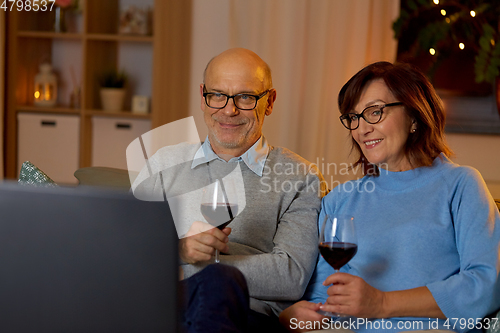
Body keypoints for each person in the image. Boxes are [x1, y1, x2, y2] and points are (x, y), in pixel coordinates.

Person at [279, 61, 500, 333]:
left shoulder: (461, 185)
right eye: (353, 117)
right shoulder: (340, 200)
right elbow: (324, 300)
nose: (361, 129)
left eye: (375, 112)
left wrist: (382, 303)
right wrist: (291, 315)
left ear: (415, 116)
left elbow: (485, 286)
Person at [133, 48, 327, 331]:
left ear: (269, 101)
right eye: (217, 95)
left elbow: (290, 276)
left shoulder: (301, 177)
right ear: (202, 97)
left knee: (218, 282)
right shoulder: (164, 162)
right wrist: (181, 250)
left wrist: (201, 270)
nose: (228, 110)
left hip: (244, 317)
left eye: (246, 97)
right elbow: (127, 254)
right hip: (163, 308)